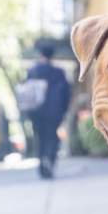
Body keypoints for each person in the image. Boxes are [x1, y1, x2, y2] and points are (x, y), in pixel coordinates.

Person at [26, 45, 71, 179]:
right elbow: (66, 93)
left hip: (37, 112)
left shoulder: (33, 71)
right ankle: (48, 158)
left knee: (40, 139)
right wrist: (64, 111)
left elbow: (28, 93)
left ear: (40, 54)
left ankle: (42, 168)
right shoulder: (58, 72)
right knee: (52, 138)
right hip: (54, 111)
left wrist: (28, 113)